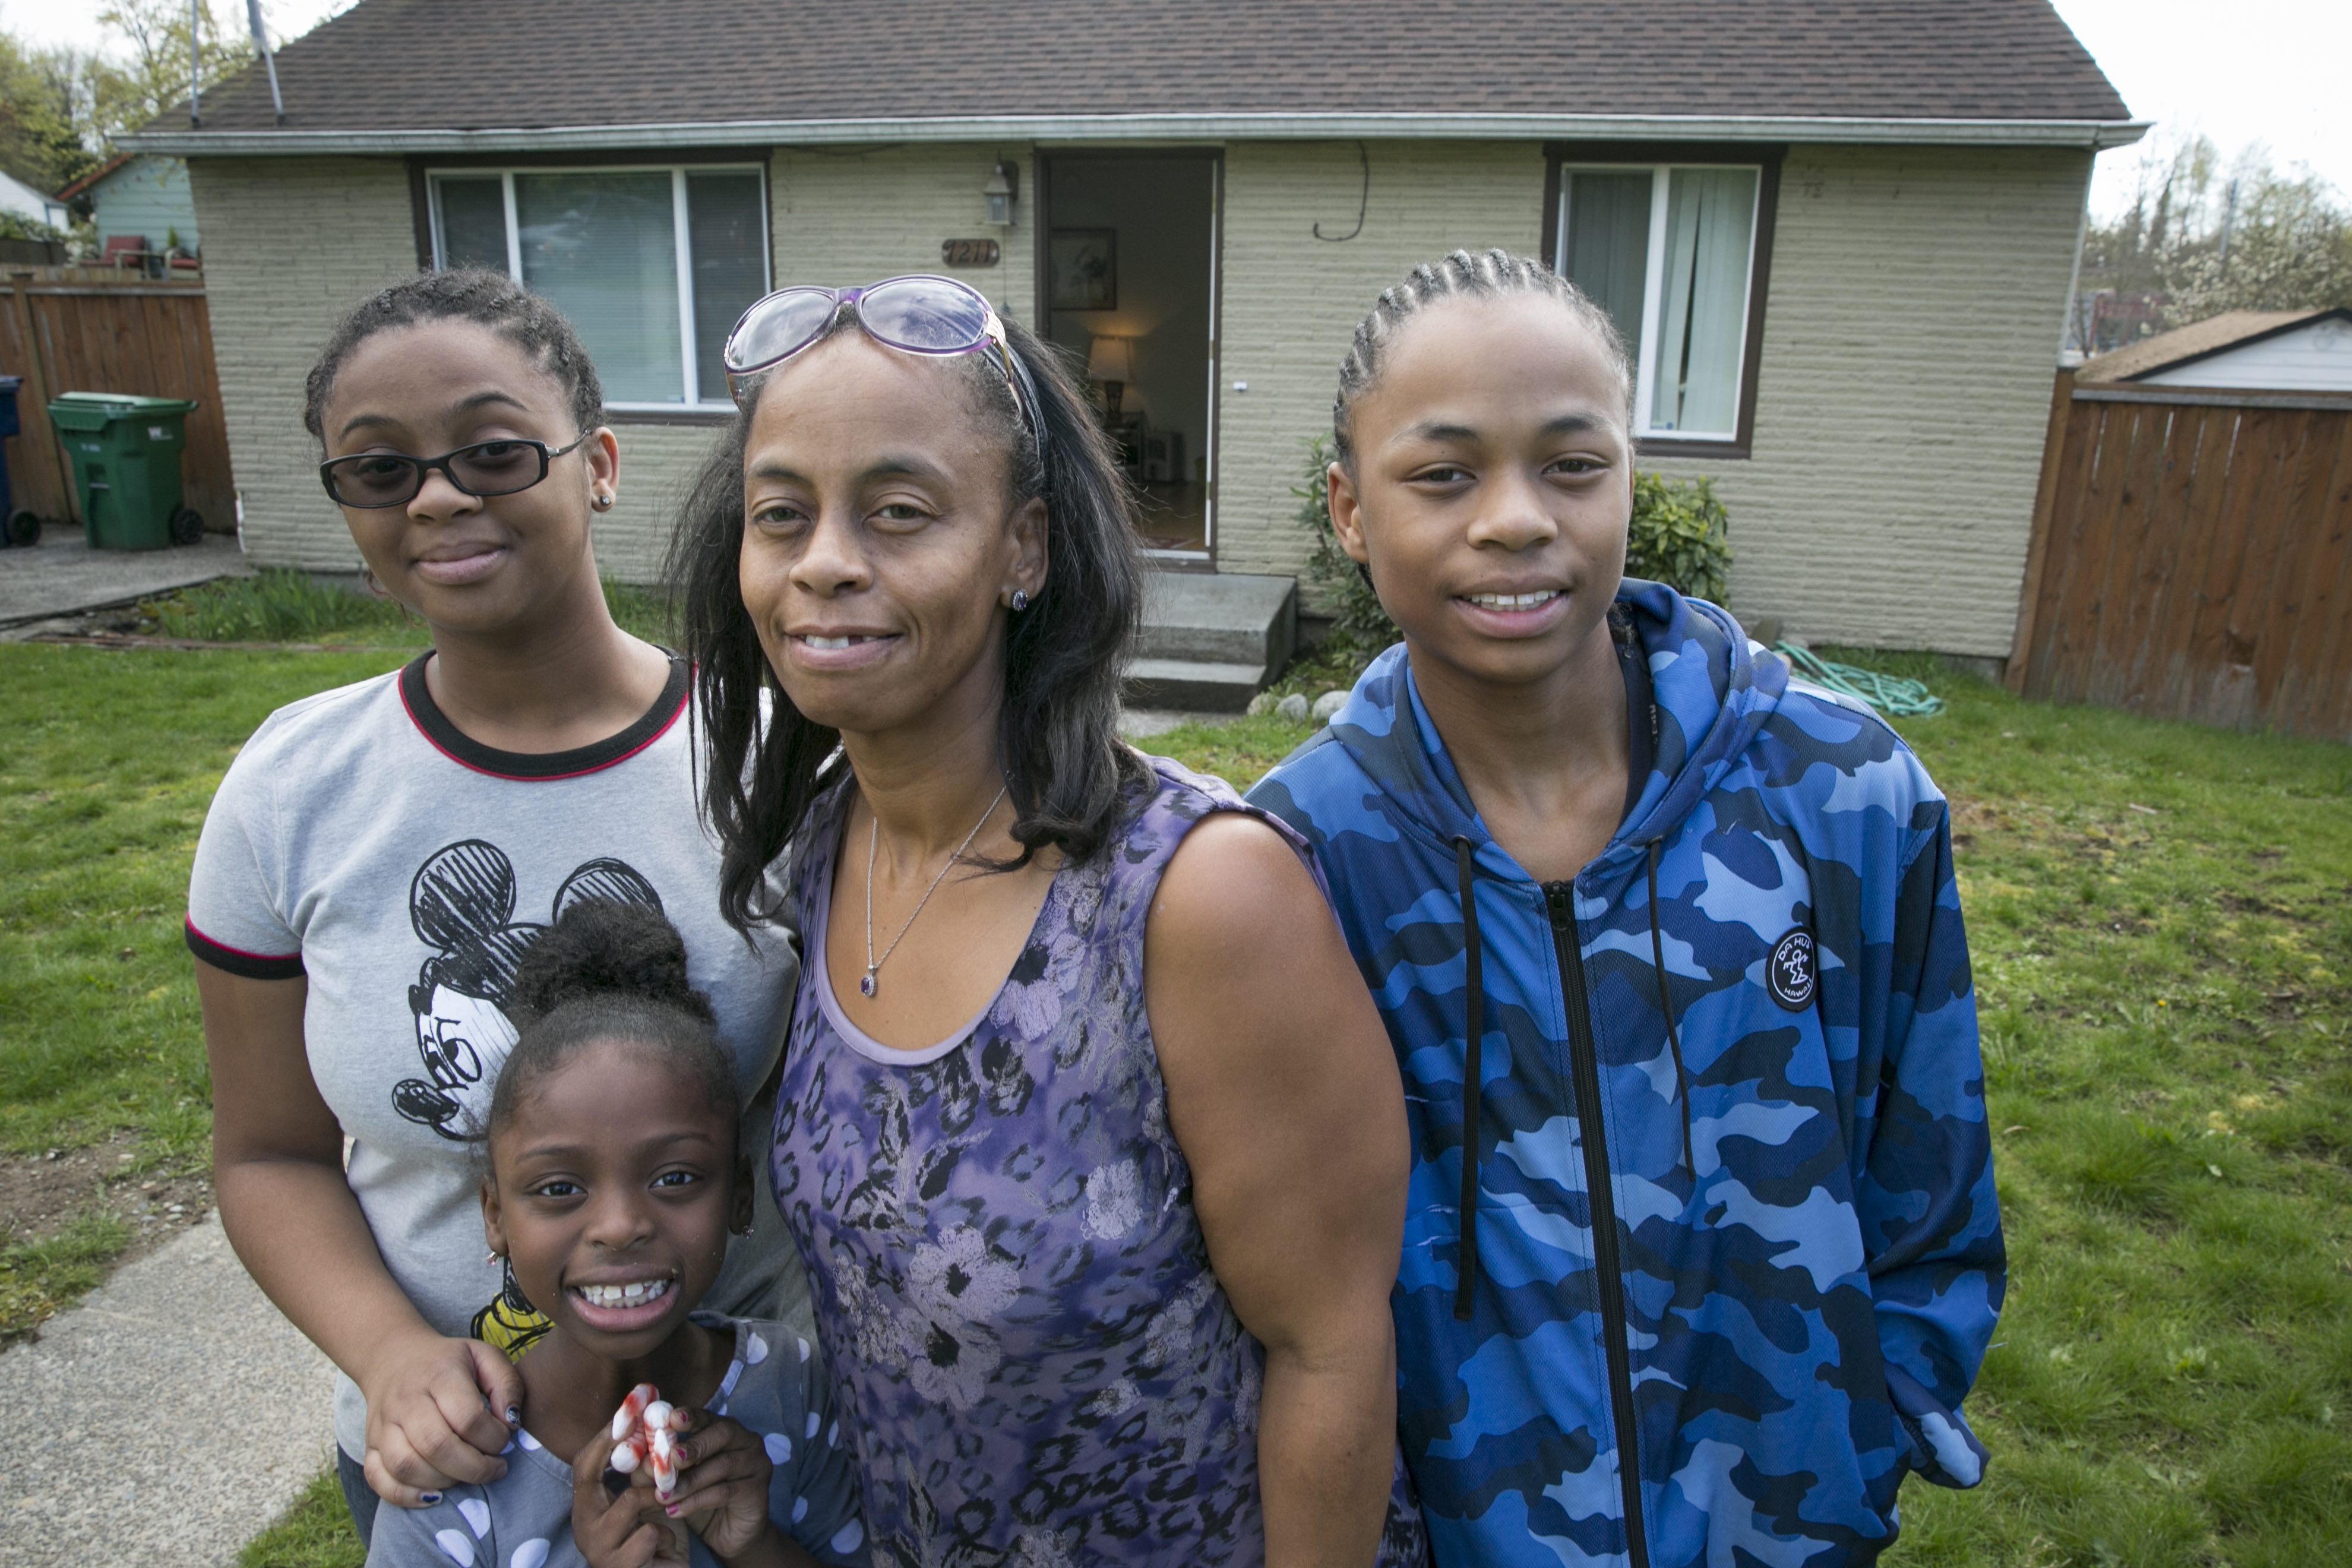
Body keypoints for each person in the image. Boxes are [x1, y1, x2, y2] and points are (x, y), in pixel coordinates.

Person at [1246, 249, 2003, 1568]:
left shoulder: (1846, 794)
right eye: (1444, 475)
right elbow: (1281, 1280)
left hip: (1783, 1523)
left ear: (1629, 479)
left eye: (1572, 464)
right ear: (1351, 511)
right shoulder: (1291, 865)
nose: (1515, 520)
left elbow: (1927, 1166)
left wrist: (1872, 1428)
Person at [671, 274, 1428, 1566]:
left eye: (899, 511)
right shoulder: (831, 839)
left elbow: (1332, 1353)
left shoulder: (1194, 897)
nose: (826, 561)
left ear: (1024, 549)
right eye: (781, 513)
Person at [188, 270, 808, 1547]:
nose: (434, 496)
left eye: (492, 450)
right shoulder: (292, 791)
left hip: (743, 1450)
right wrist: (390, 1356)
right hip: (453, 1468)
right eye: (380, 469)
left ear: (600, 466)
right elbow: (266, 1155)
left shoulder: (776, 764)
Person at [363, 900, 864, 1568]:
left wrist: (755, 1547)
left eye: (675, 1177)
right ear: (495, 1214)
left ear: (740, 1195)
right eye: (559, 1188)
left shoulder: (789, 1386)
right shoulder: (458, 1459)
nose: (621, 1226)